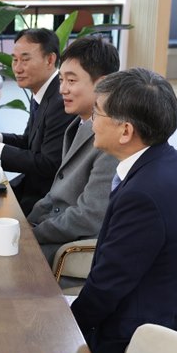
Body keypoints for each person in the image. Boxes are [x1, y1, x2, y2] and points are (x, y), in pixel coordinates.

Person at [70, 68, 177, 353]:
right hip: (153, 310)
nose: (92, 121)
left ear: (125, 131)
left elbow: (107, 286)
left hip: (149, 340)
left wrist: (67, 328)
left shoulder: (144, 196)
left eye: (97, 112)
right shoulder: (164, 161)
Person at [27, 36, 120, 265]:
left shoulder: (110, 140)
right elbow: (56, 194)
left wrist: (32, 234)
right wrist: (26, 223)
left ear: (103, 84)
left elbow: (89, 216)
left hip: (70, 247)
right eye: (61, 80)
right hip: (53, 229)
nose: (62, 90)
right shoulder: (77, 124)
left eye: (71, 80)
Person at [0, 28, 72, 214]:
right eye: (15, 60)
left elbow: (48, 164)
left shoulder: (61, 100)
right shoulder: (41, 91)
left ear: (50, 60)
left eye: (25, 60)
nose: (17, 68)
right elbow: (28, 142)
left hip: (44, 200)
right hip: (29, 186)